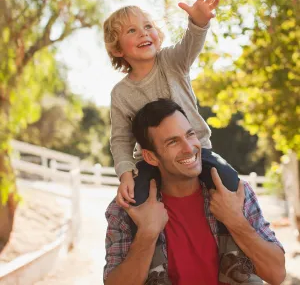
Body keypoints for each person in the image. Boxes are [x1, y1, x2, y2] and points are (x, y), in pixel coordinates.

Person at [103, 0, 255, 283]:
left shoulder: (173, 62)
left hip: (199, 151)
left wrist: (199, 22)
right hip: (151, 161)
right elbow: (120, 138)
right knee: (138, 201)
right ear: (118, 49)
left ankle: (233, 258)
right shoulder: (120, 94)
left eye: (148, 26)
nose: (144, 33)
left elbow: (191, 44)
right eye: (132, 30)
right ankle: (156, 268)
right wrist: (125, 174)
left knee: (230, 181)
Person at [104, 99, 286, 285]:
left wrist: (236, 221)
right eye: (173, 142)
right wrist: (147, 235)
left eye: (190, 135)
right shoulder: (127, 208)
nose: (189, 148)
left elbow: (276, 274)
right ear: (151, 157)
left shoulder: (235, 192)